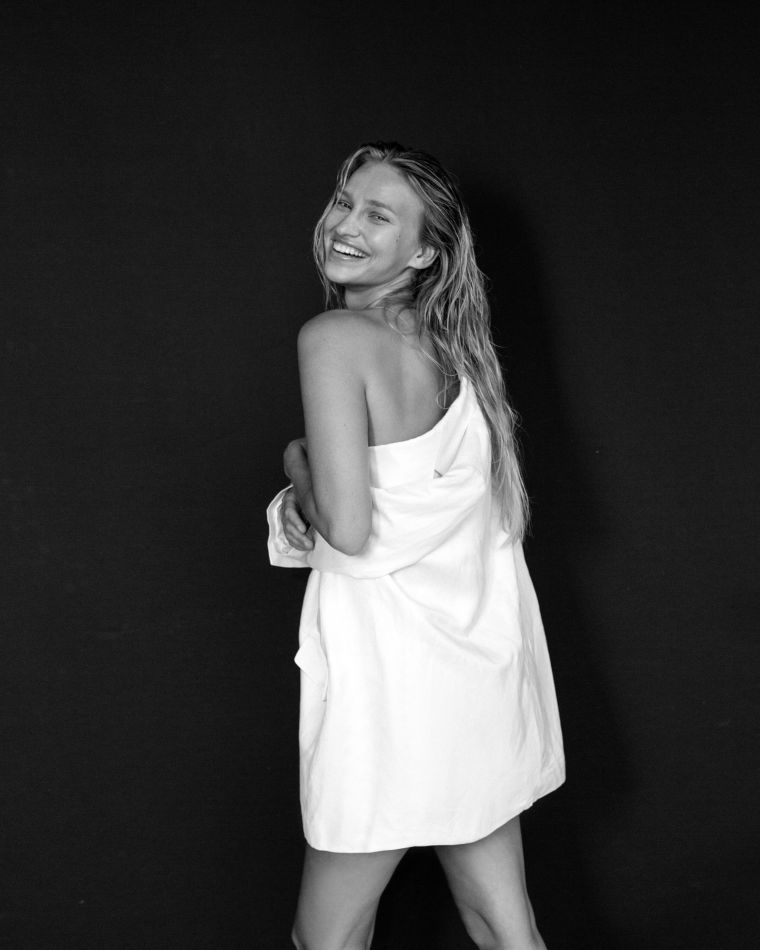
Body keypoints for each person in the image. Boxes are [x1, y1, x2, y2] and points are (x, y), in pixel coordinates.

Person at [266, 142, 564, 950]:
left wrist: (295, 463)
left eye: (378, 215)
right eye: (344, 201)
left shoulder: (334, 337)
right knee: (504, 925)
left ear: (425, 252)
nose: (346, 224)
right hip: (473, 683)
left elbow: (349, 528)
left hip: (388, 694)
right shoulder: (461, 356)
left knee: (325, 939)